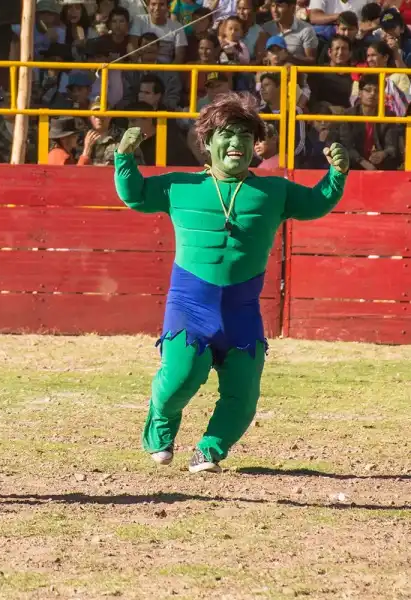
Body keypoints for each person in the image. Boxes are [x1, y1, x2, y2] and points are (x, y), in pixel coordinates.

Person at [113, 92, 350, 473]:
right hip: (189, 308)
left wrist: (337, 175)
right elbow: (135, 196)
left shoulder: (275, 190)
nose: (236, 142)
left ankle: (210, 448)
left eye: (244, 135)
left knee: (243, 395)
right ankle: (160, 421)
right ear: (207, 143)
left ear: (254, 145)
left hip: (242, 312)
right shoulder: (179, 186)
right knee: (179, 378)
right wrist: (124, 157)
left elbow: (315, 204)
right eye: (226, 133)